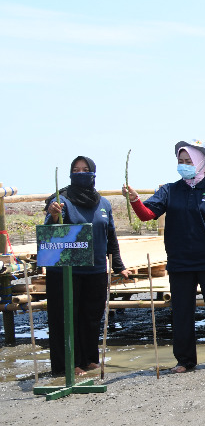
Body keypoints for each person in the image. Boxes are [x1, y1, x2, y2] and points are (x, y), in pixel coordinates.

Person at [124, 141, 205, 372]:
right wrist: (135, 199)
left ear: (201, 163)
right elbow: (147, 215)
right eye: (181, 162)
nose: (184, 166)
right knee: (182, 313)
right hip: (180, 262)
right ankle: (185, 360)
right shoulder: (169, 190)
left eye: (189, 162)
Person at [43, 156, 131, 376]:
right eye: (76, 169)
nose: (81, 173)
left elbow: (110, 235)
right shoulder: (61, 200)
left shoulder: (103, 203)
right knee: (66, 318)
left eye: (85, 170)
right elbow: (51, 228)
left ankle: (89, 358)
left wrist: (119, 266)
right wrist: (54, 215)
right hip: (66, 271)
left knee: (91, 317)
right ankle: (67, 364)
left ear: (93, 173)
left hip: (96, 270)